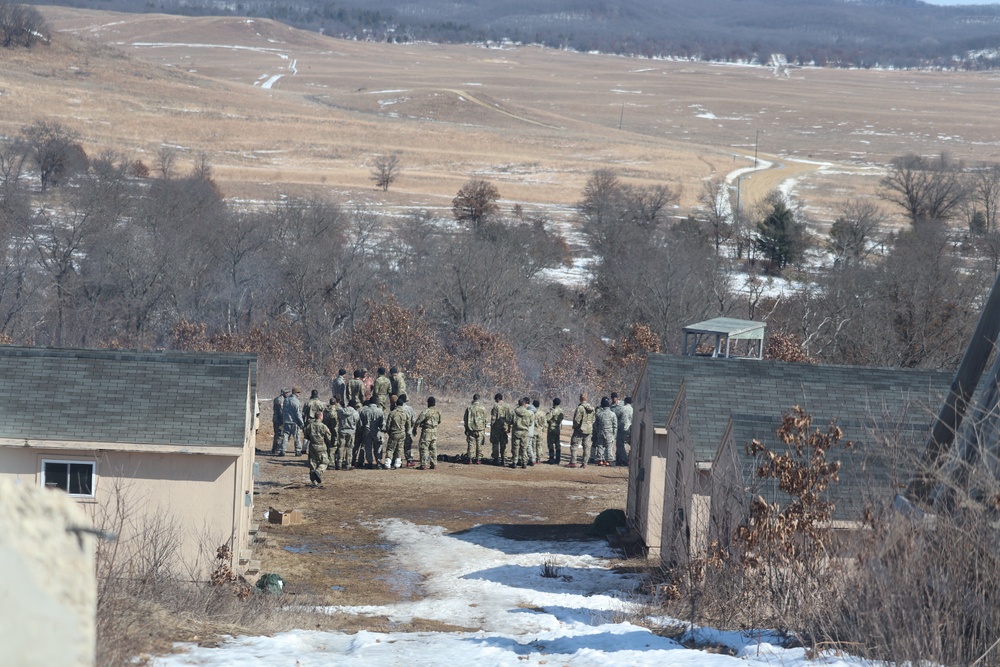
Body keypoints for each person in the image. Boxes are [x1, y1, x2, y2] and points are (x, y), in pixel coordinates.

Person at [385, 395, 413, 469]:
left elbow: (388, 425)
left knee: (390, 448)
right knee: (399, 448)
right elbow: (408, 425)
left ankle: (388, 463)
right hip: (402, 433)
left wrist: (389, 432)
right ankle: (397, 464)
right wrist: (405, 431)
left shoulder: (392, 413)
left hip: (394, 433)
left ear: (396, 404)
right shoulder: (405, 413)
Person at [304, 410, 332, 485]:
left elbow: (306, 436)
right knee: (325, 462)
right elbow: (328, 437)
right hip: (321, 446)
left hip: (312, 446)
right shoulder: (323, 426)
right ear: (321, 417)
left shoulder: (310, 426)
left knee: (312, 463)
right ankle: (318, 471)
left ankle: (313, 481)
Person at [414, 396, 442, 470]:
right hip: (434, 431)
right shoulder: (437, 411)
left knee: (424, 447)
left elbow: (418, 421)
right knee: (433, 448)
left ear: (428, 403)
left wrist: (415, 428)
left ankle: (423, 464)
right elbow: (439, 421)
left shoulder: (426, 411)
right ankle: (434, 464)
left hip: (427, 431)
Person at [568, 393, 595, 468]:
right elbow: (593, 419)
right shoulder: (592, 408)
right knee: (586, 447)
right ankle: (584, 463)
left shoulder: (580, 408)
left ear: (580, 399)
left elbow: (577, 420)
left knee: (574, 446)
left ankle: (573, 462)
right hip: (588, 430)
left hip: (579, 430)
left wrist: (575, 426)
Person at [358, 398, 386, 469]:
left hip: (367, 432)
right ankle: (378, 462)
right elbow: (383, 424)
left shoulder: (364, 411)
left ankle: (370, 462)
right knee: (378, 447)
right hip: (377, 432)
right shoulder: (380, 411)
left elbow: (360, 424)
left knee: (368, 448)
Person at [593, 396, 618, 467]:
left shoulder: (599, 414)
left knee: (600, 446)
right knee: (609, 447)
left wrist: (596, 431)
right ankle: (608, 461)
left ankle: (600, 460)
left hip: (600, 432)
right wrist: (614, 434)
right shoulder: (612, 414)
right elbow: (615, 425)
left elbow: (595, 424)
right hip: (609, 433)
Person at [463, 393, 488, 464]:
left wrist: (466, 429)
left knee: (471, 444)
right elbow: (485, 419)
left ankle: (470, 459)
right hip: (480, 429)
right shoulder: (483, 408)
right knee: (479, 445)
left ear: (473, 399)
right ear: (479, 399)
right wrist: (484, 427)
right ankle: (478, 459)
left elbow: (465, 419)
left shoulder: (469, 408)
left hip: (471, 429)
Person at [510, 398, 534, 469]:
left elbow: (510, 421)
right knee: (523, 448)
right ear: (524, 404)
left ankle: (514, 462)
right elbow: (530, 423)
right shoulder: (528, 413)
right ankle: (524, 462)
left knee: (515, 447)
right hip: (525, 432)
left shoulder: (514, 412)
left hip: (516, 431)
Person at [336, 399, 360, 470]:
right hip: (351, 432)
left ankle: (339, 464)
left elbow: (338, 418)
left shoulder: (341, 411)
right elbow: (357, 421)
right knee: (349, 448)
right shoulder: (355, 413)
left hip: (342, 431)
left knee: (340, 447)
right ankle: (348, 464)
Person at [280, 387, 304, 456]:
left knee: (285, 436)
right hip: (294, 422)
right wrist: (301, 423)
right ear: (296, 393)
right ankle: (298, 451)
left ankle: (283, 450)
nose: (300, 394)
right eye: (299, 393)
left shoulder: (286, 400)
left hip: (286, 421)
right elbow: (298, 413)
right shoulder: (296, 401)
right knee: (296, 436)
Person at [490, 393, 512, 466]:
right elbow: (509, 418)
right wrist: (509, 427)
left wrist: (492, 427)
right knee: (503, 443)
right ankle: (503, 458)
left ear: (497, 399)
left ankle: (496, 459)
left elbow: (493, 417)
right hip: (504, 427)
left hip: (496, 427)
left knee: (495, 443)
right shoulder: (507, 406)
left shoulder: (496, 406)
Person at [616, 396, 634, 466]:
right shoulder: (633, 409)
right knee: (630, 444)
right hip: (630, 429)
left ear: (625, 402)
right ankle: (627, 459)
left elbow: (617, 416)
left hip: (622, 428)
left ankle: (624, 459)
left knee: (620, 444)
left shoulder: (623, 408)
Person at [546, 397, 564, 464]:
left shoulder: (552, 410)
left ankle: (551, 458)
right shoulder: (561, 410)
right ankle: (558, 458)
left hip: (551, 428)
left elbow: (547, 418)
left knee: (550, 443)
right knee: (557, 443)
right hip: (557, 428)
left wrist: (550, 421)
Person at [270, 388, 287, 456]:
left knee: (276, 434)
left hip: (275, 419)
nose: (287, 394)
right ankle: (277, 449)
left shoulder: (277, 399)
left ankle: (274, 449)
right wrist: (283, 420)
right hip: (279, 420)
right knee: (280, 435)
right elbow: (281, 411)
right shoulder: (281, 400)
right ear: (283, 392)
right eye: (286, 393)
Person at [532, 399, 547, 464]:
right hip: (540, 431)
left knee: (533, 445)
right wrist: (542, 428)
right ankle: (539, 459)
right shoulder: (542, 413)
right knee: (539, 445)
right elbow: (545, 424)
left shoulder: (532, 412)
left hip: (533, 431)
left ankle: (533, 458)